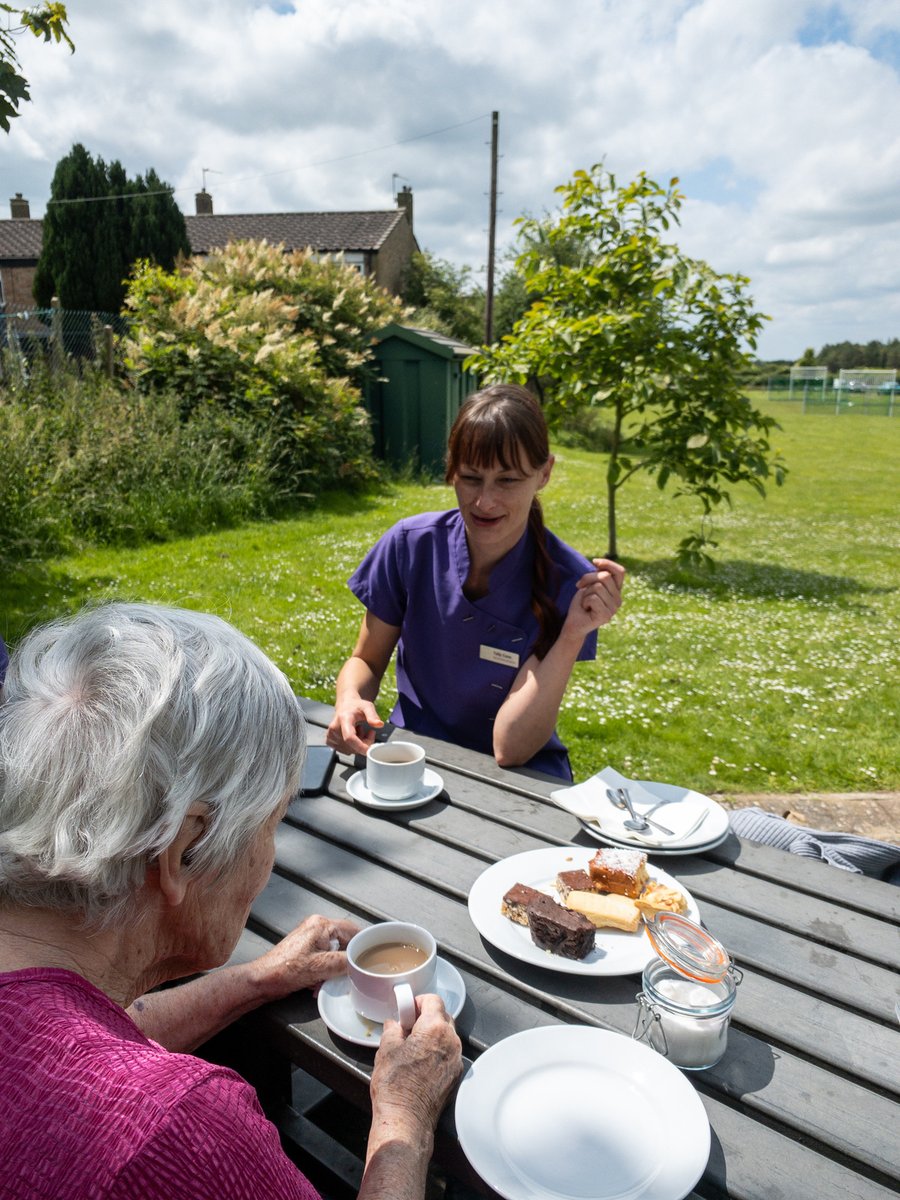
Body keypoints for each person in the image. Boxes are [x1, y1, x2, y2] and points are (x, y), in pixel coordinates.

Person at [0, 602, 461, 1200]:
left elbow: (81, 1040)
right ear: (183, 850)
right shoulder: (171, 1135)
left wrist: (259, 979)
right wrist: (405, 1117)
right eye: (271, 826)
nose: (269, 858)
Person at [327, 384, 625, 780]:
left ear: (544, 473)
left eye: (507, 481)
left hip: (520, 779)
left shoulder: (569, 581)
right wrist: (350, 700)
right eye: (470, 478)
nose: (484, 502)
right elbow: (366, 659)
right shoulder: (410, 545)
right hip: (413, 754)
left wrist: (572, 634)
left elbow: (510, 747)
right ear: (451, 469)